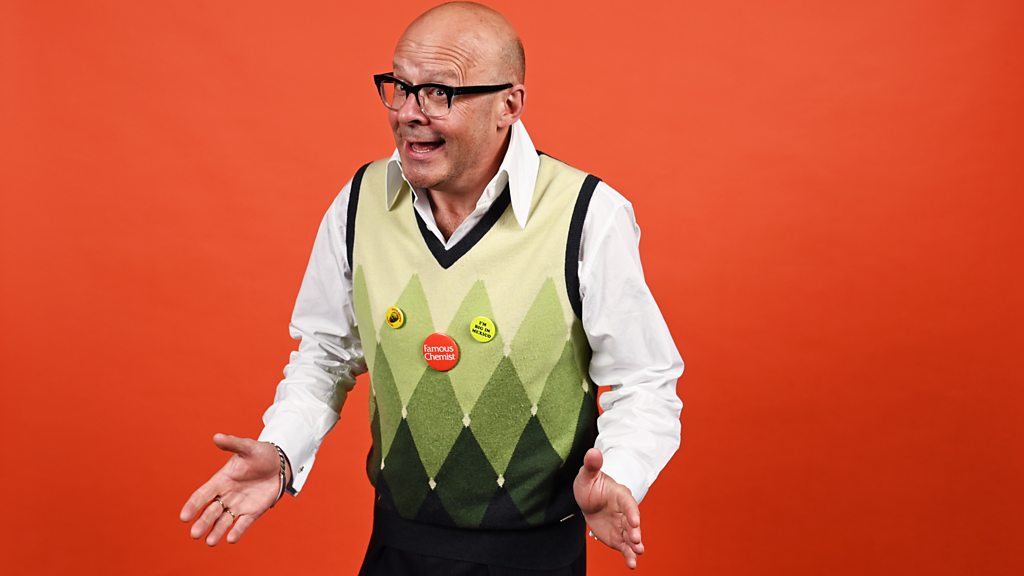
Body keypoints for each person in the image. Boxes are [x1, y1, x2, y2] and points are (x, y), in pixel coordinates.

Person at [179, 2, 683, 573]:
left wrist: (621, 472)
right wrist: (282, 451)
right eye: (400, 87)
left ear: (509, 104)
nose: (407, 113)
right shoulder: (358, 202)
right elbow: (324, 355)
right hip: (396, 547)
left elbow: (645, 380)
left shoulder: (588, 213)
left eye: (439, 92)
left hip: (536, 556)